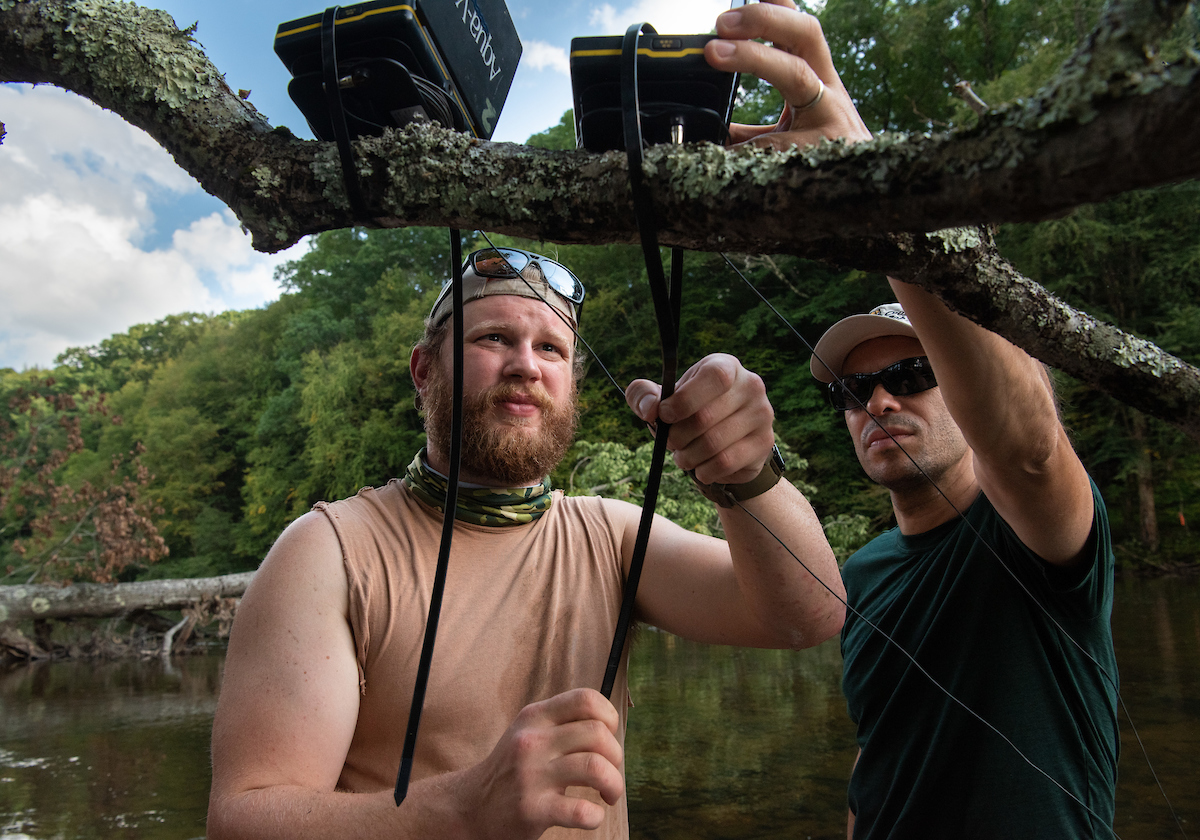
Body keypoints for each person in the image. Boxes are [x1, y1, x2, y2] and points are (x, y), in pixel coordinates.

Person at [206, 247, 846, 840]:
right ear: (424, 370)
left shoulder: (614, 536)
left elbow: (808, 615)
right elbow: (241, 818)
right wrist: (463, 807)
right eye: (493, 338)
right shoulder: (329, 552)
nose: (526, 365)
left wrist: (749, 476)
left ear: (572, 383)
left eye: (552, 348)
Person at [705, 1, 1120, 836]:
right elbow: (879, 756)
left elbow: (1030, 448)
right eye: (855, 392)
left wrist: (860, 173)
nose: (879, 402)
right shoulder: (861, 576)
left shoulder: (1041, 534)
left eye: (910, 374)